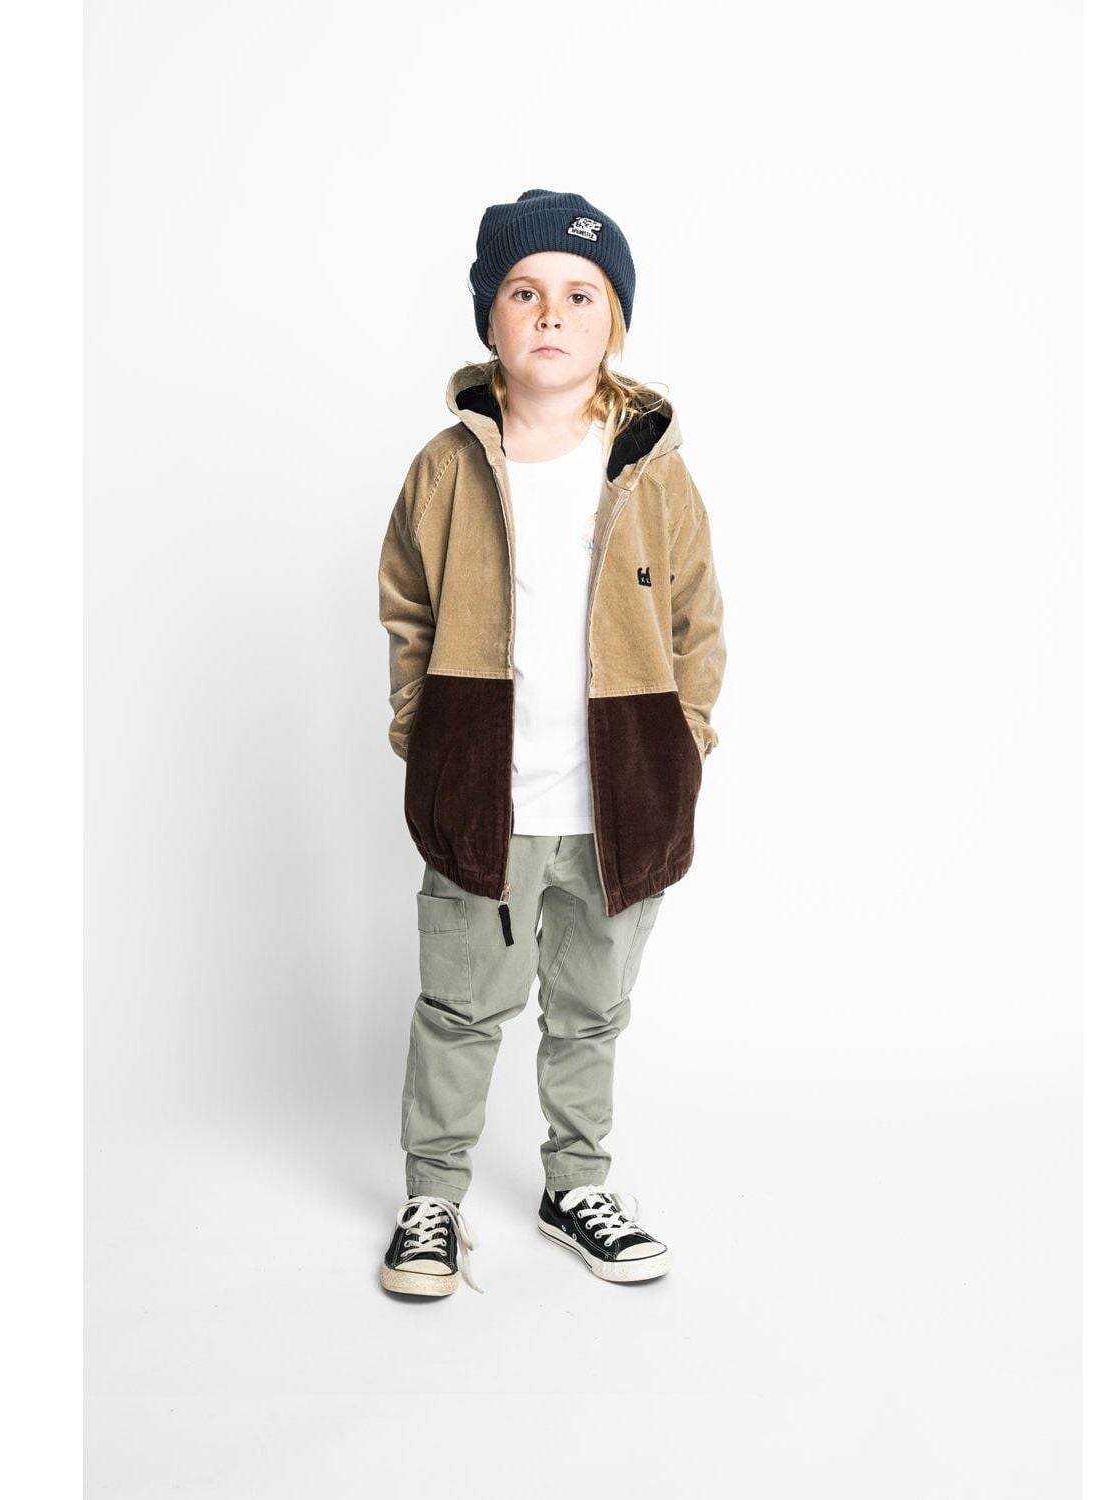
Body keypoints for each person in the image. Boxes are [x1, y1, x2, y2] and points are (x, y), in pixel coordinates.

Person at [375, 188, 727, 1297]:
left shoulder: (651, 470)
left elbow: (696, 619)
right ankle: (433, 1198)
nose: (551, 314)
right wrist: (424, 736)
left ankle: (576, 1185)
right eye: (524, 292)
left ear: (613, 320)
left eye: (581, 294)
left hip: (618, 804)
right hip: (487, 799)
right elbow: (406, 608)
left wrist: (682, 745)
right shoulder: (446, 467)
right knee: (460, 1007)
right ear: (490, 316)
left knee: (590, 1012)